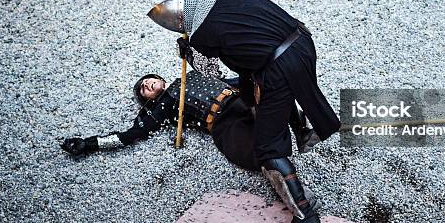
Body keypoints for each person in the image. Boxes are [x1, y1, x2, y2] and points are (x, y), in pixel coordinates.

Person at [149, 0, 341, 223]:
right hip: (301, 43)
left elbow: (211, 73)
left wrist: (189, 53)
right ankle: (304, 130)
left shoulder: (202, 35)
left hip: (278, 68)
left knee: (267, 148)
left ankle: (303, 215)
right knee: (254, 86)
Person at [60, 70, 319, 172]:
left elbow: (229, 79)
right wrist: (90, 144)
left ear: (158, 76)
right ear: (147, 100)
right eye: (143, 89)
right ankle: (294, 192)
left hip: (238, 100)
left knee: (273, 86)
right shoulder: (163, 107)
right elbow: (130, 135)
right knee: (257, 155)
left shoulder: (190, 74)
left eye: (148, 80)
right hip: (223, 123)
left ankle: (302, 131)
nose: (146, 84)